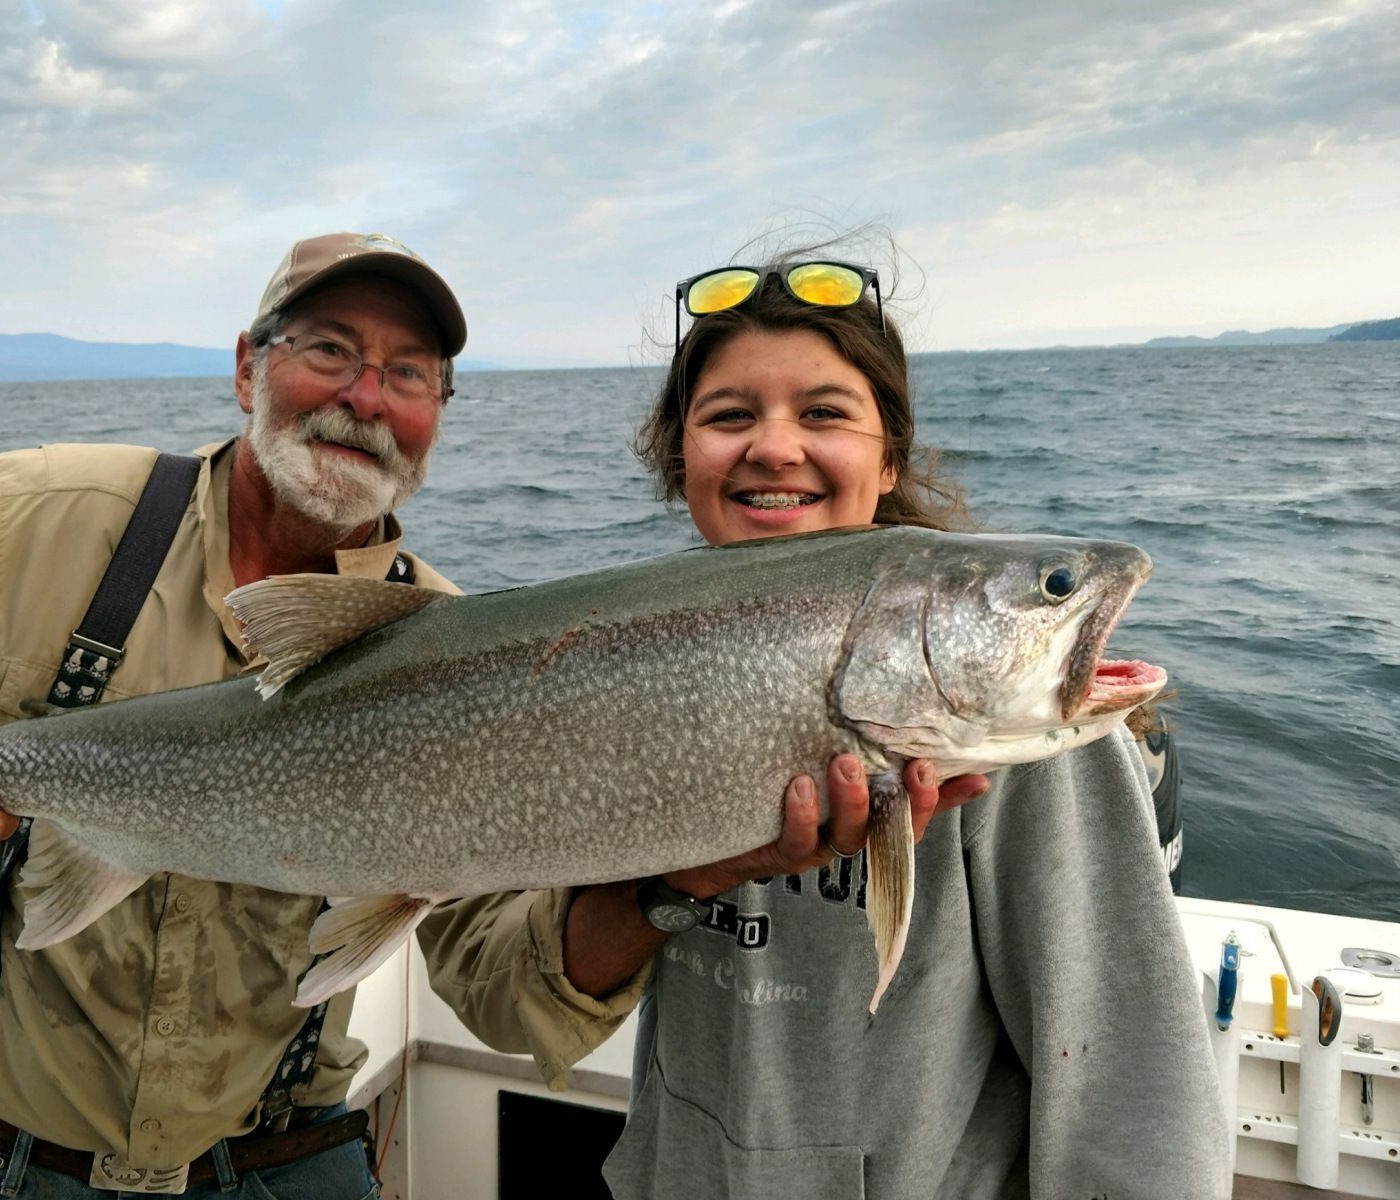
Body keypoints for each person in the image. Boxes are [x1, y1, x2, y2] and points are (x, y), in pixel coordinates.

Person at [420, 255, 1230, 1197]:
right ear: (682, 457)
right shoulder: (622, 674)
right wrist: (683, 882)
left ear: (888, 456)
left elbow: (1133, 1099)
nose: (773, 446)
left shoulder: (1018, 745)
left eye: (824, 412)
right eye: (729, 415)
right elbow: (512, 1004)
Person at [0, 231, 470, 1198]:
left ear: (437, 415)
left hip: (297, 1161)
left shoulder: (454, 650)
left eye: (409, 373)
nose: (365, 398)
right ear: (249, 368)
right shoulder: (32, 518)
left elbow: (499, 969)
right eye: (330, 350)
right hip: (0, 1162)